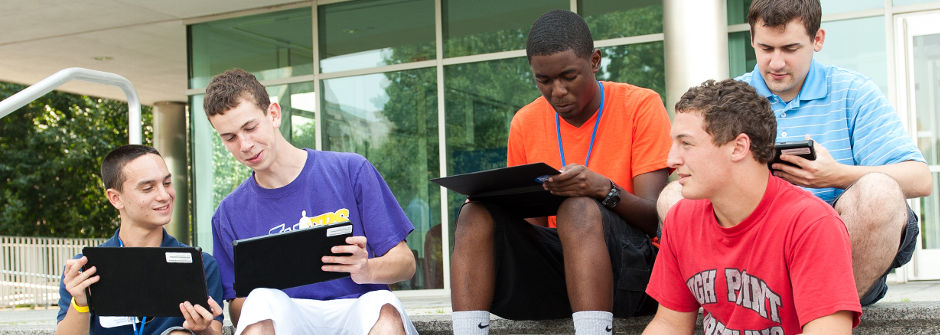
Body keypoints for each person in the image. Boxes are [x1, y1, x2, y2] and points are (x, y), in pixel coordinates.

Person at [657, 0, 931, 306]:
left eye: (789, 49)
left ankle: (826, 311)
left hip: (838, 247)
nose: (776, 63)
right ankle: (740, 305)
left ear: (818, 40)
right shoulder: (729, 98)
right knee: (673, 197)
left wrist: (835, 175)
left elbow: (920, 179)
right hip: (755, 250)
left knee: (879, 191)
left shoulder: (853, 91)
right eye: (766, 48)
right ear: (751, 40)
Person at [450, 9, 671, 335]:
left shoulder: (640, 106)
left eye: (569, 77)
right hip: (560, 277)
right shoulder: (525, 122)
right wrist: (500, 207)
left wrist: (602, 189)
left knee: (577, 207)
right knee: (474, 213)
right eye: (544, 80)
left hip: (632, 274)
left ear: (594, 61)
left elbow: (654, 218)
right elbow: (532, 230)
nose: (557, 91)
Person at [204, 68, 418, 335]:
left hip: (359, 311)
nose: (245, 144)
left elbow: (405, 263)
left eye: (250, 127)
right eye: (230, 137)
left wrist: (366, 269)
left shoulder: (351, 170)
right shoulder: (228, 213)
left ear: (273, 114)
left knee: (382, 304)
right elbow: (238, 311)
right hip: (288, 320)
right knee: (259, 302)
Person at [644, 79, 862, 334]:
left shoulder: (811, 225)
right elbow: (669, 325)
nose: (672, 159)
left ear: (738, 147)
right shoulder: (681, 218)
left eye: (687, 144)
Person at [56, 145, 224, 335]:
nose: (164, 195)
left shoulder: (200, 264)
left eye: (167, 183)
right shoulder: (85, 269)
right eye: (148, 188)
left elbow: (214, 331)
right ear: (115, 198)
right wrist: (80, 304)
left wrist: (203, 329)